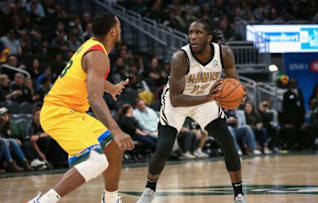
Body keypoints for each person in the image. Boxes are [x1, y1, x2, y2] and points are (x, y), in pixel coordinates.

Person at [27, 12, 134, 203]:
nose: (120, 30)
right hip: (58, 112)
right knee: (96, 161)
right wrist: (116, 130)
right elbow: (94, 97)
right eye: (119, 26)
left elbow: (90, 75)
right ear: (112, 31)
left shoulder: (91, 47)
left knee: (113, 148)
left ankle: (110, 200)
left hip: (75, 113)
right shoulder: (98, 55)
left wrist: (111, 88)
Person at [137, 19, 246, 203]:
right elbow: (176, 99)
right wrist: (208, 98)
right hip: (178, 102)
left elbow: (233, 84)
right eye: (191, 33)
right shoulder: (180, 58)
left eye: (198, 33)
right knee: (164, 148)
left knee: (228, 144)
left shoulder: (224, 53)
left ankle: (239, 195)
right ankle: (149, 189)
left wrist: (239, 94)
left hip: (206, 100)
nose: (193, 37)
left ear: (209, 37)